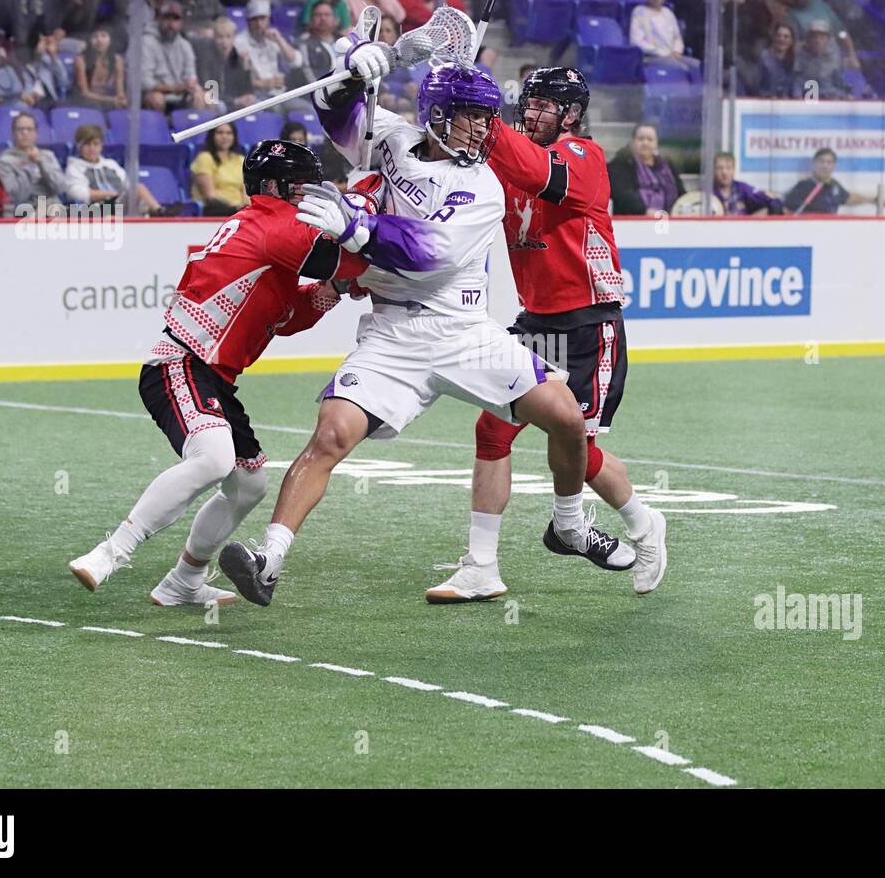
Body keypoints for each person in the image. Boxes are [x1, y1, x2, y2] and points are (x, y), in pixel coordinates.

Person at [219, 56, 628, 607]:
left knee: (567, 418)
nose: (485, 129)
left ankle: (571, 524)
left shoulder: (484, 184)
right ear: (436, 114)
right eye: (471, 117)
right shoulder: (391, 138)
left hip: (464, 333)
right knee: (329, 436)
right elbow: (338, 115)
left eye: (488, 117)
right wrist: (351, 68)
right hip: (392, 336)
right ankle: (269, 558)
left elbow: (430, 255)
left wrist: (358, 227)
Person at [66, 140, 376, 605]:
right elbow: (352, 258)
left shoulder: (268, 230)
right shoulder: (276, 223)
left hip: (210, 374)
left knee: (249, 484)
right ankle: (111, 553)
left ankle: (184, 582)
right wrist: (368, 204)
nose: (311, 195)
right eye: (304, 186)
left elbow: (288, 318)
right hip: (182, 361)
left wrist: (332, 288)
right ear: (275, 186)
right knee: (213, 459)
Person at [444, 65, 666, 602]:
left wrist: (486, 123)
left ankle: (638, 524)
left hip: (590, 321)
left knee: (575, 449)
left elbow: (541, 174)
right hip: (536, 322)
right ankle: (481, 566)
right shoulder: (506, 154)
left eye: (546, 105)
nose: (534, 111)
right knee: (492, 430)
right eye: (531, 102)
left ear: (570, 115)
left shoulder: (584, 157)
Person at [65, 123, 170, 215]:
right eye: (87, 144)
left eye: (96, 144)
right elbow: (79, 194)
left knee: (138, 189)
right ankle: (154, 212)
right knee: (136, 197)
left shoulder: (111, 164)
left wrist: (119, 196)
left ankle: (159, 211)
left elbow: (128, 185)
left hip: (119, 203)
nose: (92, 148)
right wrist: (112, 194)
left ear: (101, 146)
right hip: (95, 209)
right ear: (79, 146)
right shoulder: (74, 168)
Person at [142, 1, 207, 111]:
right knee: (156, 99)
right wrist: (174, 88)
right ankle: (160, 127)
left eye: (176, 19)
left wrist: (194, 89)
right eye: (167, 18)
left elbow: (190, 76)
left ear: (182, 22)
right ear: (158, 20)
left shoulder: (185, 45)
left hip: (182, 95)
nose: (171, 23)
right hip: (155, 94)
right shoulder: (146, 42)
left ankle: (197, 127)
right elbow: (145, 83)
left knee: (206, 98)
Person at [0, 112, 69, 209]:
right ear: (13, 133)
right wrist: (29, 166)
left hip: (52, 206)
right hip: (24, 208)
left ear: (36, 133)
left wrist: (41, 163)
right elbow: (17, 195)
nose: (25, 133)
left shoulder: (47, 155)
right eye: (20, 129)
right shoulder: (5, 160)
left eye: (29, 129)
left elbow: (60, 188)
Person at [629, 0, 701, 77]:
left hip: (672, 55)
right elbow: (637, 42)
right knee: (681, 68)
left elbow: (677, 37)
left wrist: (677, 51)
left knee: (697, 65)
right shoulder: (639, 12)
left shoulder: (668, 12)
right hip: (651, 57)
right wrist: (663, 53)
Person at [607, 123, 682, 215]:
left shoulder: (667, 165)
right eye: (641, 139)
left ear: (656, 143)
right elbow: (622, 195)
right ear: (633, 142)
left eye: (650, 139)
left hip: (669, 221)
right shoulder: (620, 164)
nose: (645, 143)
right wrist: (646, 211)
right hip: (632, 221)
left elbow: (681, 192)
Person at [784, 147, 885, 213]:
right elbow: (787, 208)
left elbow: (848, 198)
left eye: (829, 162)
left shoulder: (834, 185)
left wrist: (873, 201)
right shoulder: (803, 186)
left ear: (834, 166)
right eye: (821, 161)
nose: (825, 166)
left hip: (831, 232)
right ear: (814, 163)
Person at [234, 0, 299, 99]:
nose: (259, 24)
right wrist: (263, 83)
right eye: (254, 19)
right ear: (247, 21)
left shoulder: (274, 38)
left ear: (268, 19)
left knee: (304, 109)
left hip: (281, 92)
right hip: (257, 93)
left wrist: (279, 41)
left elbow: (295, 62)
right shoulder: (239, 41)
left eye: (262, 18)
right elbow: (242, 75)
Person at [190, 120, 246, 215]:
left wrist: (245, 207)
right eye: (220, 133)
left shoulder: (240, 159)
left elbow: (247, 194)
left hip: (240, 211)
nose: (225, 136)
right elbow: (210, 196)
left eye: (229, 133)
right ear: (212, 136)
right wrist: (236, 208)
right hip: (216, 209)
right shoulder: (204, 158)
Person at [73, 24, 127, 109]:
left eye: (103, 36)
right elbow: (84, 93)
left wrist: (121, 99)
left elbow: (120, 91)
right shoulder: (81, 60)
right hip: (86, 102)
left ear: (111, 40)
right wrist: (111, 100)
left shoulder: (117, 60)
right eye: (95, 37)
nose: (99, 40)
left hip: (109, 100)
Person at [712, 151, 781, 214]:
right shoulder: (708, 193)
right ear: (714, 171)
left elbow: (773, 201)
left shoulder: (742, 188)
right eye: (720, 168)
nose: (724, 172)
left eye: (729, 168)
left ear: (733, 170)